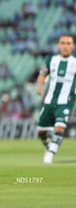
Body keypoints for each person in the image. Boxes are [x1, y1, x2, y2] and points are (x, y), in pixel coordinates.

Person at [36, 34, 76, 164]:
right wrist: (39, 86)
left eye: (68, 43)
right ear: (58, 45)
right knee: (41, 131)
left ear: (73, 46)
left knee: (59, 128)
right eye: (63, 43)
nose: (65, 46)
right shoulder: (51, 60)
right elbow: (43, 74)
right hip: (49, 101)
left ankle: (50, 155)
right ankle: (49, 147)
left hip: (66, 102)